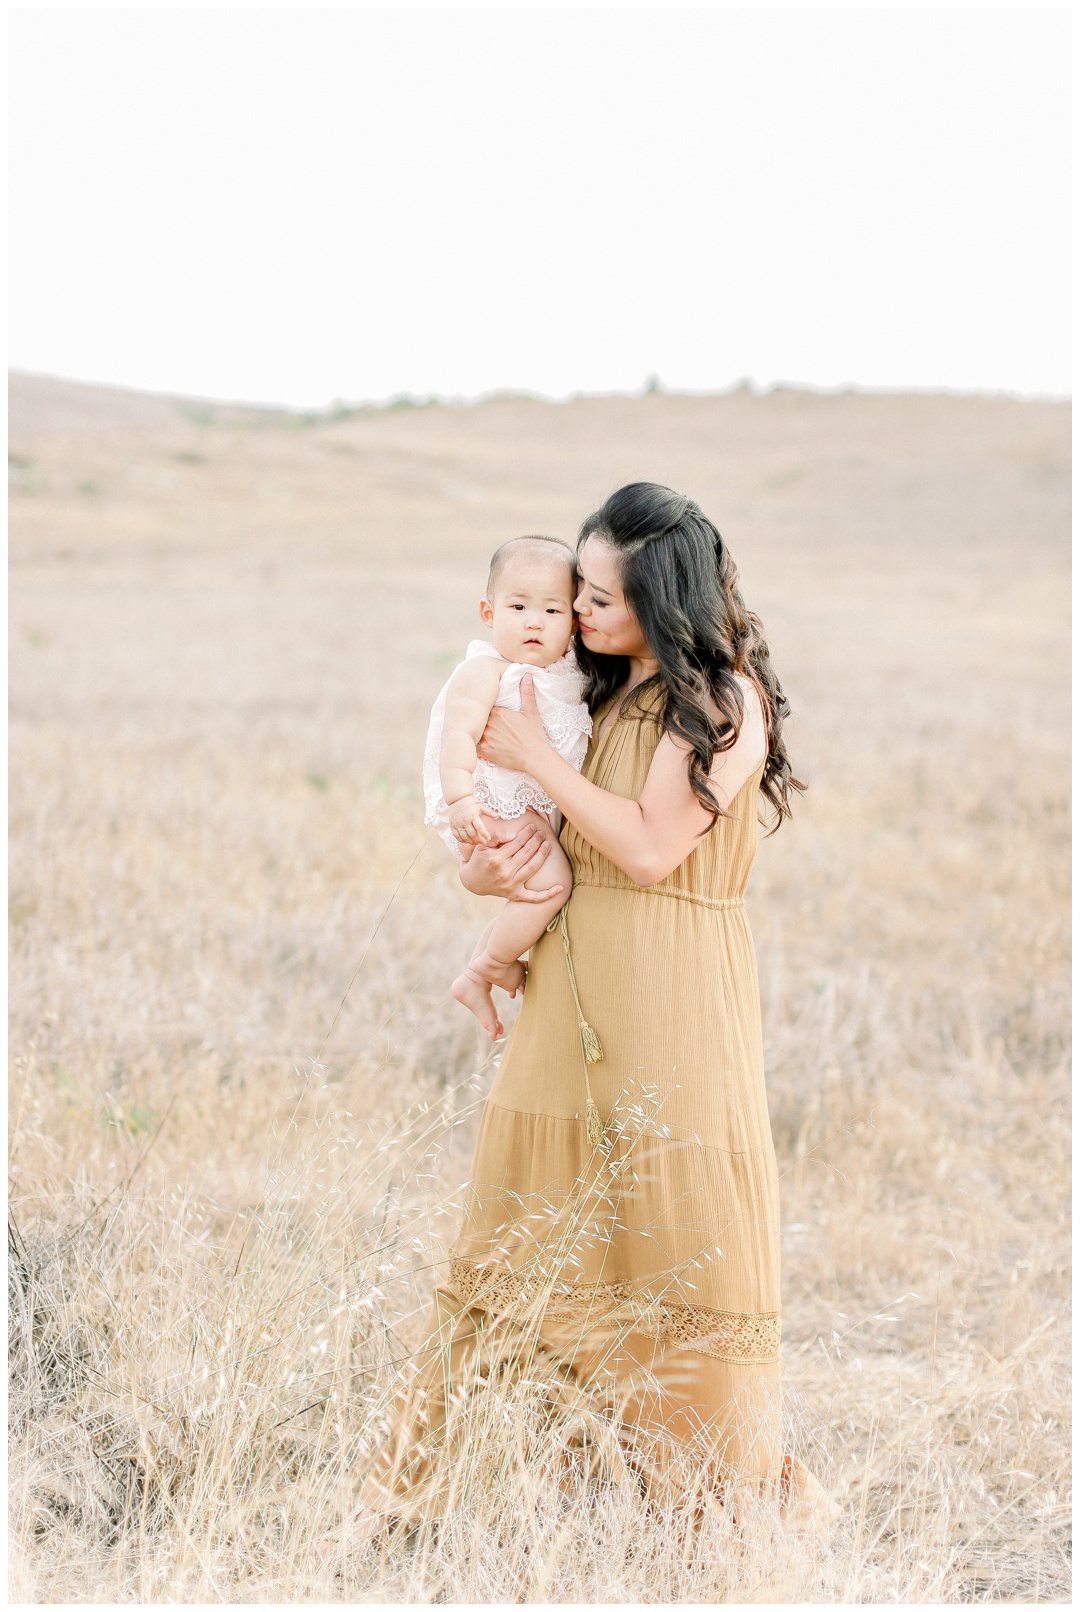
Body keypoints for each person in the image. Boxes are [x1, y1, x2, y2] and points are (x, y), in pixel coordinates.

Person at [355, 482, 827, 1533]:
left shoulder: (722, 703)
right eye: (578, 594)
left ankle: (714, 1516)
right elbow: (541, 852)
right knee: (523, 1234)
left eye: (604, 598)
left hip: (672, 996)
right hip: (569, 991)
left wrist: (528, 760)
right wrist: (496, 866)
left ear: (665, 602)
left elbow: (653, 847)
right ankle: (436, 1504)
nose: (581, 615)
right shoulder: (594, 698)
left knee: (675, 1228)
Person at [422, 534, 592, 1038]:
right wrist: (461, 799)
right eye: (518, 606)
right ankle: (489, 963)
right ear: (488, 612)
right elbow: (457, 736)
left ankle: (479, 967)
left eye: (552, 610)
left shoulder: (570, 676)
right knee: (551, 884)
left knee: (537, 888)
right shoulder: (484, 672)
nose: (534, 621)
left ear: (574, 622)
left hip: (532, 808)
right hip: (493, 805)